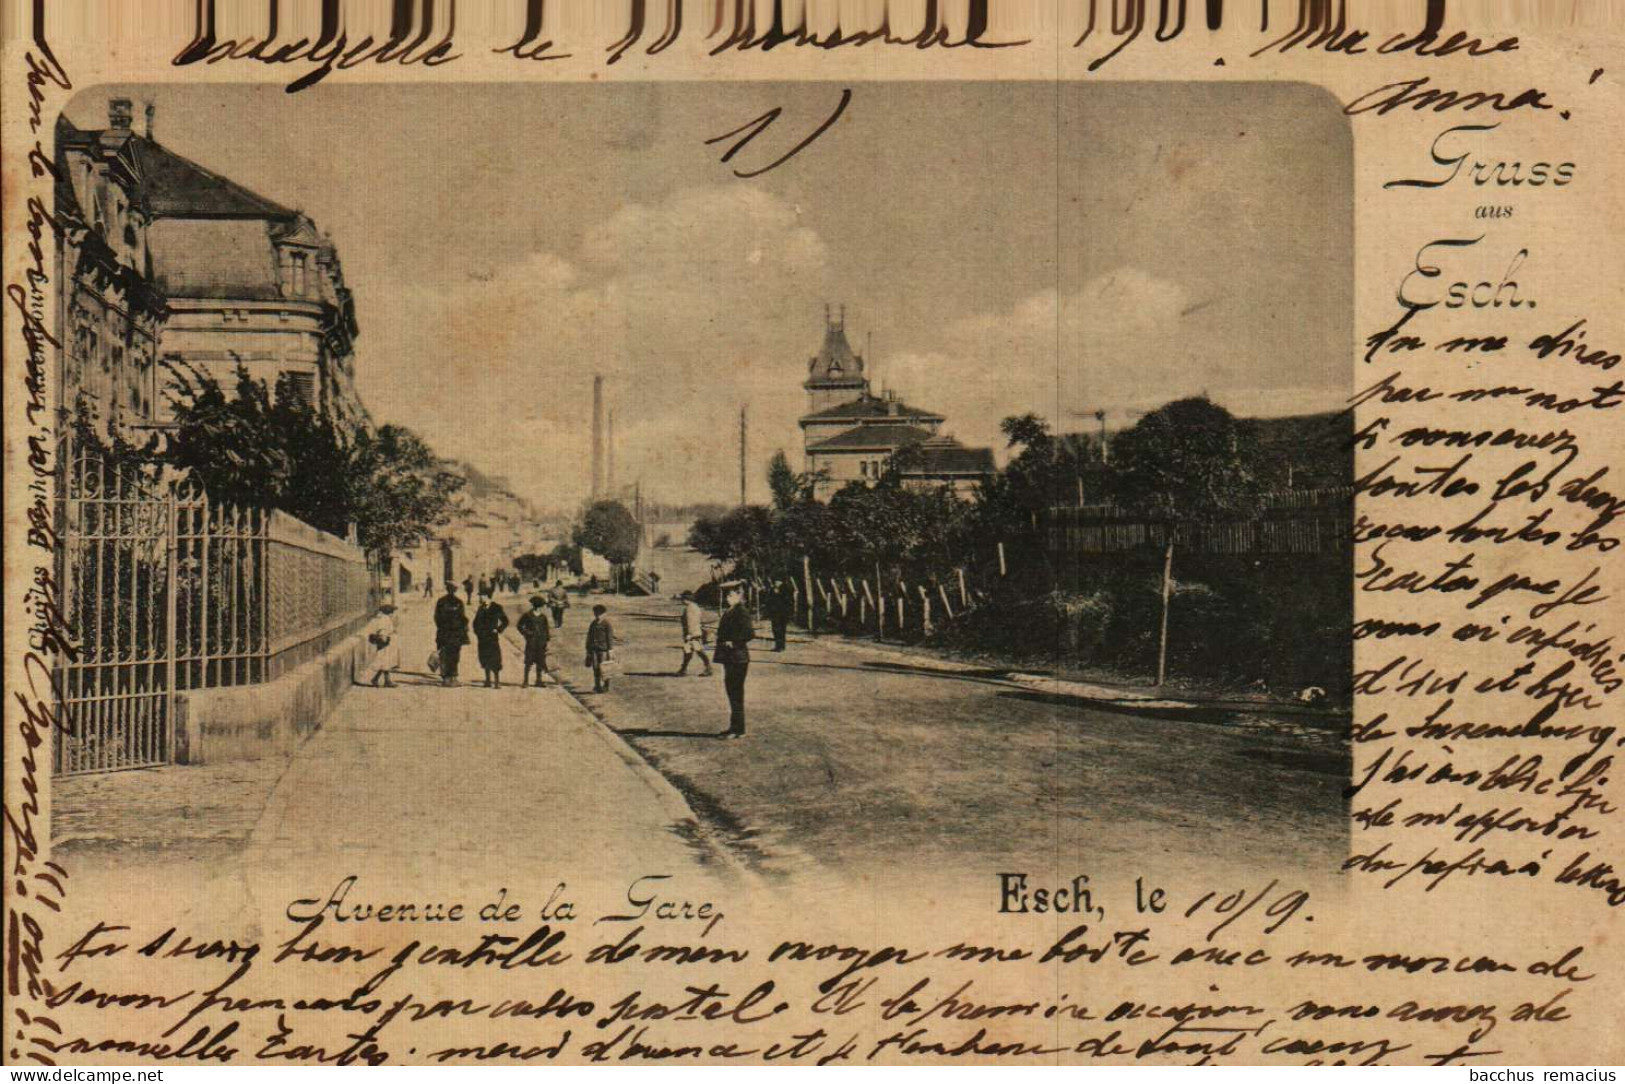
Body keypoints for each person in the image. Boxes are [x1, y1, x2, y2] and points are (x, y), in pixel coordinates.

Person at [714, 582, 754, 738]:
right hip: (730, 657)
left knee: (736, 693)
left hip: (738, 658)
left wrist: (734, 642)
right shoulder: (731, 610)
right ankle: (735, 727)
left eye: (730, 595)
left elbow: (749, 633)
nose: (727, 598)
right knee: (732, 693)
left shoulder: (741, 611)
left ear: (739, 595)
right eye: (726, 595)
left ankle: (737, 729)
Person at [434, 582, 469, 686]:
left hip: (447, 633)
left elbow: (437, 618)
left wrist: (442, 628)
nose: (452, 591)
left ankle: (449, 678)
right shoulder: (458, 602)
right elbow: (463, 618)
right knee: (452, 655)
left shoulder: (442, 601)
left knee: (447, 655)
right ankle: (450, 678)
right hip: (453, 633)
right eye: (452, 589)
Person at [473, 595, 509, 688]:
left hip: (492, 637)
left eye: (482, 596)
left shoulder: (496, 607)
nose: (480, 599)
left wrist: (498, 629)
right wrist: (477, 632)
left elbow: (505, 621)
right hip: (482, 638)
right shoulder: (481, 608)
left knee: (495, 658)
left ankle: (497, 682)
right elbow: (475, 622)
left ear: (488, 597)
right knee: (484, 657)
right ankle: (487, 680)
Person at [517, 595, 553, 687]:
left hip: (541, 642)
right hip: (531, 641)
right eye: (541, 606)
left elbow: (546, 629)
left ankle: (539, 680)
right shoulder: (528, 615)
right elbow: (520, 626)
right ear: (537, 606)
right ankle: (525, 681)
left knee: (540, 660)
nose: (542, 608)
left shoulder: (543, 617)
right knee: (528, 661)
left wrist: (546, 641)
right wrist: (527, 633)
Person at [676, 591, 713, 677]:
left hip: (693, 635)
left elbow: (691, 622)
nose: (681, 600)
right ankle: (683, 669)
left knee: (698, 651)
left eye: (683, 598)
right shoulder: (695, 607)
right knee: (687, 652)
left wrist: (690, 634)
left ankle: (708, 668)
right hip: (695, 633)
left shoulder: (690, 608)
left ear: (687, 599)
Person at [364, 604, 400, 687]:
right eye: (392, 611)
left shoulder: (385, 618)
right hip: (384, 644)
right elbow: (382, 632)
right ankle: (386, 681)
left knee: (384, 662)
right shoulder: (384, 619)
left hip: (386, 643)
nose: (393, 613)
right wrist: (384, 641)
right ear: (389, 612)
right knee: (384, 662)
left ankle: (377, 679)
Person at [584, 604, 616, 693]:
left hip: (603, 650)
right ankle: (597, 685)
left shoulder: (607, 624)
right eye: (596, 614)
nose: (597, 616)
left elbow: (609, 637)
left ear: (604, 614)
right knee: (595, 668)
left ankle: (606, 686)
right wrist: (588, 649)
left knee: (605, 668)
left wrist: (610, 650)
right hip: (594, 649)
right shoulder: (593, 623)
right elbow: (589, 636)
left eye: (599, 614)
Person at [765, 577, 795, 652]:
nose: (776, 583)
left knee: (781, 630)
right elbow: (769, 600)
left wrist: (778, 593)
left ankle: (781, 646)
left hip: (783, 613)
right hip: (774, 613)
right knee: (775, 629)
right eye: (775, 581)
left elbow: (788, 600)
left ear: (781, 582)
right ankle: (778, 645)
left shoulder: (786, 589)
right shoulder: (772, 589)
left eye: (778, 581)